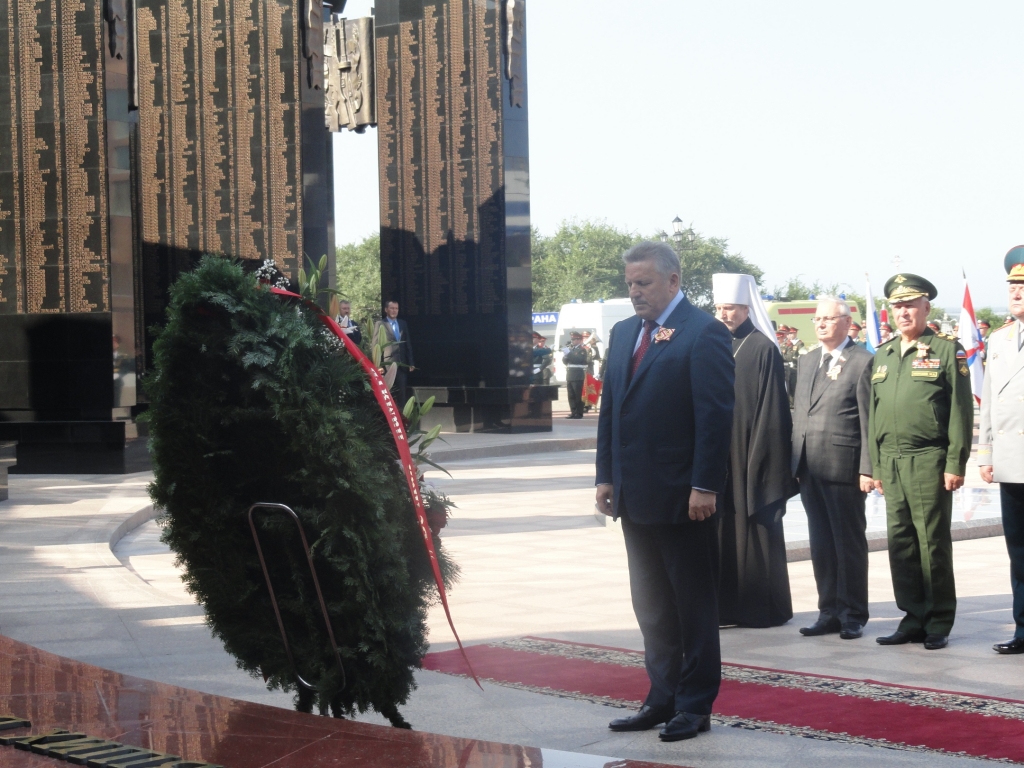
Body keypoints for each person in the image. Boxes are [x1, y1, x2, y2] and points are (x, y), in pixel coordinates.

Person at [596, 241, 734, 742]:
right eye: (630, 283)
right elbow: (612, 408)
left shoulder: (704, 333)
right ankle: (661, 697)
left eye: (644, 283)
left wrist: (704, 485)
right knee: (651, 604)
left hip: (683, 500)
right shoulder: (623, 333)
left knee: (692, 607)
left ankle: (694, 706)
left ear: (673, 282)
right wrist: (605, 476)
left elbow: (715, 418)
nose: (634, 292)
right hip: (635, 495)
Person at [869, 274, 973, 650]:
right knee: (900, 543)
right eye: (897, 306)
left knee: (932, 542)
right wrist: (875, 466)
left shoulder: (947, 350)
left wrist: (955, 463)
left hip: (929, 459)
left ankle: (938, 620)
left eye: (910, 304)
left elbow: (960, 412)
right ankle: (912, 616)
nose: (903, 312)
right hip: (892, 462)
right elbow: (874, 415)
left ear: (926, 307)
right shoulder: (883, 354)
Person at [713, 274, 795, 628]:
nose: (723, 314)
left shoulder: (763, 348)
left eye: (729, 308)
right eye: (718, 308)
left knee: (753, 527)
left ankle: (761, 607)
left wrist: (758, 461)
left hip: (750, 453)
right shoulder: (715, 343)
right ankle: (726, 607)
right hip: (720, 452)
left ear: (746, 308)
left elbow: (772, 410)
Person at [791, 297, 874, 640]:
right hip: (809, 465)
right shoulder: (808, 360)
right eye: (818, 319)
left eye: (828, 319)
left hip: (844, 466)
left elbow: (869, 420)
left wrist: (868, 468)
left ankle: (853, 612)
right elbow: (799, 413)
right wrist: (793, 460)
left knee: (847, 543)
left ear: (846, 322)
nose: (821, 324)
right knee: (821, 543)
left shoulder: (863, 361)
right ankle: (828, 611)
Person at [978, 246, 1024, 655]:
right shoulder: (999, 339)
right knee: (1019, 552)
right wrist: (986, 453)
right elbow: (989, 400)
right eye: (1012, 284)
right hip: (1011, 463)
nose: (1017, 292)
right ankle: (1023, 628)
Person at [373, 300, 415, 407]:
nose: (394, 310)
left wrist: (410, 362)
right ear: (386, 310)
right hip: (387, 365)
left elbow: (407, 343)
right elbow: (375, 346)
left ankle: (402, 419)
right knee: (388, 394)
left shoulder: (402, 323)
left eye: (396, 308)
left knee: (402, 395)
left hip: (402, 365)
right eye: (392, 308)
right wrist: (378, 365)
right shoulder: (380, 324)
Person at [562, 331, 588, 419]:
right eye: (572, 339)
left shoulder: (582, 349)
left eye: (574, 339)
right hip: (570, 374)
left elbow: (578, 360)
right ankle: (573, 411)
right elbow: (566, 362)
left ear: (579, 340)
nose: (572, 341)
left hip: (578, 375)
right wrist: (565, 356)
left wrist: (568, 353)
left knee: (578, 395)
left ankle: (579, 412)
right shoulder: (572, 349)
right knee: (571, 395)